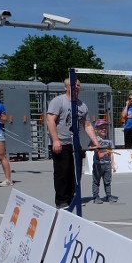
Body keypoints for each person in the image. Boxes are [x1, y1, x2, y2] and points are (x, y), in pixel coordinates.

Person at [46, 77, 99, 209]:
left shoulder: (82, 105)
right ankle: (62, 201)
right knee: (62, 173)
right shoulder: (58, 101)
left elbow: (87, 124)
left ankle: (73, 197)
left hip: (74, 143)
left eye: (78, 85)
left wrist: (95, 141)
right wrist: (56, 140)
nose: (76, 87)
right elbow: (50, 121)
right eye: (73, 85)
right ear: (66, 87)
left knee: (76, 173)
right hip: (61, 142)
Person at [90, 119, 117, 204]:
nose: (104, 129)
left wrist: (112, 163)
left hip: (107, 165)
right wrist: (95, 149)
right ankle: (96, 196)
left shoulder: (109, 141)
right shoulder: (95, 139)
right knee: (96, 181)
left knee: (108, 181)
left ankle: (108, 195)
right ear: (96, 130)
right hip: (98, 165)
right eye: (101, 128)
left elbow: (111, 153)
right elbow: (90, 147)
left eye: (105, 128)